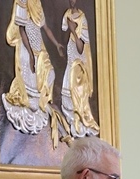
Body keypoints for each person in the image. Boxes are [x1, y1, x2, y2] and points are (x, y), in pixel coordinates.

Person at [3, 0, 66, 140]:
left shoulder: (36, 3)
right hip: (26, 47)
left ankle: (41, 103)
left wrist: (57, 44)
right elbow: (21, 29)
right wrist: (31, 54)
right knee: (31, 77)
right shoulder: (22, 2)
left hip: (38, 46)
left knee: (50, 73)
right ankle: (30, 102)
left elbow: (46, 28)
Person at [60, 0, 100, 138]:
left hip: (78, 64)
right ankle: (72, 120)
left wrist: (73, 30)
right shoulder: (67, 14)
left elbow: (81, 47)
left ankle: (80, 121)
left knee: (76, 91)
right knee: (67, 93)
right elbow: (64, 33)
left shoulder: (82, 18)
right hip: (70, 57)